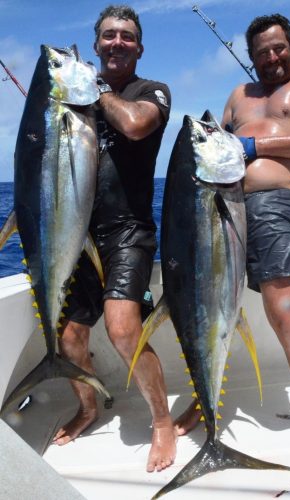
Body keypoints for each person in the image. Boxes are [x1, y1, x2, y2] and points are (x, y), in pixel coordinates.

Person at [175, 13, 290, 452]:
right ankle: (205, 394)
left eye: (278, 47)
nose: (272, 57)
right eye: (262, 51)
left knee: (284, 311)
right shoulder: (237, 96)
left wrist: (255, 146)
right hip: (223, 207)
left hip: (276, 204)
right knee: (208, 307)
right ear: (250, 56)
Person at [53, 5, 177, 472]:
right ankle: (87, 406)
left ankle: (161, 420)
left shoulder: (154, 92)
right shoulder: (77, 99)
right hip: (78, 233)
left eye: (126, 36)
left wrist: (96, 88)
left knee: (123, 327)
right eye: (109, 36)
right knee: (68, 338)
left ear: (139, 47)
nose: (117, 43)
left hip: (129, 231)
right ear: (97, 44)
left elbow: (134, 124)